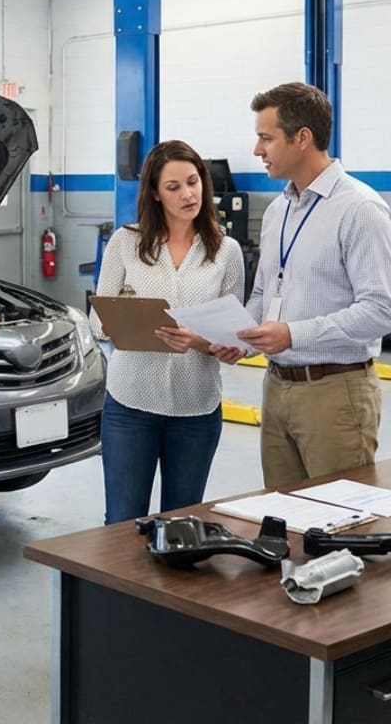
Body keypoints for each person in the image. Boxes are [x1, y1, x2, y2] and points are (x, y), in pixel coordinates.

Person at [222, 83, 391, 489]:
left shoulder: (360, 209)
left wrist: (293, 334)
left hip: (335, 393)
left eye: (265, 138)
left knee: (340, 522)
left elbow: (381, 310)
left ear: (302, 138)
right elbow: (263, 297)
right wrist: (242, 339)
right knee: (283, 519)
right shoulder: (278, 210)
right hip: (277, 387)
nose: (256, 150)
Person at [90, 141, 245, 524]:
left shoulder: (226, 251)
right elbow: (98, 320)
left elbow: (235, 332)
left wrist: (205, 342)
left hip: (197, 408)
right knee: (123, 522)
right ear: (156, 194)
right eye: (173, 187)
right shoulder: (126, 242)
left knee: (182, 524)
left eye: (193, 182)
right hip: (130, 405)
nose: (187, 194)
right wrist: (126, 321)